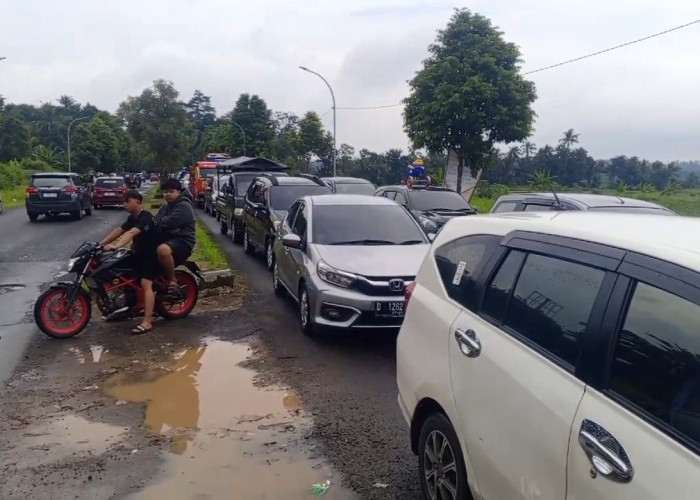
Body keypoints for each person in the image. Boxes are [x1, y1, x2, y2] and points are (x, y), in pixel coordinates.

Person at [98, 190, 159, 334]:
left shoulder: (146, 218)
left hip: (151, 255)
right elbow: (119, 230)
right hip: (138, 253)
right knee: (120, 275)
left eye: (127, 201)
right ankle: (126, 309)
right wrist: (100, 244)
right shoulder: (133, 217)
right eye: (124, 201)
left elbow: (131, 233)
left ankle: (147, 321)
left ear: (137, 202)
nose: (124, 204)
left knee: (146, 284)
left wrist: (116, 246)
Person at [156, 178, 196, 297]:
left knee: (163, 250)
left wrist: (166, 225)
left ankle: (172, 281)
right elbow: (157, 221)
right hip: (169, 238)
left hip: (183, 241)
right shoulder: (165, 208)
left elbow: (170, 221)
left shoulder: (184, 205)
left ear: (179, 192)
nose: (167, 194)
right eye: (165, 192)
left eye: (171, 191)